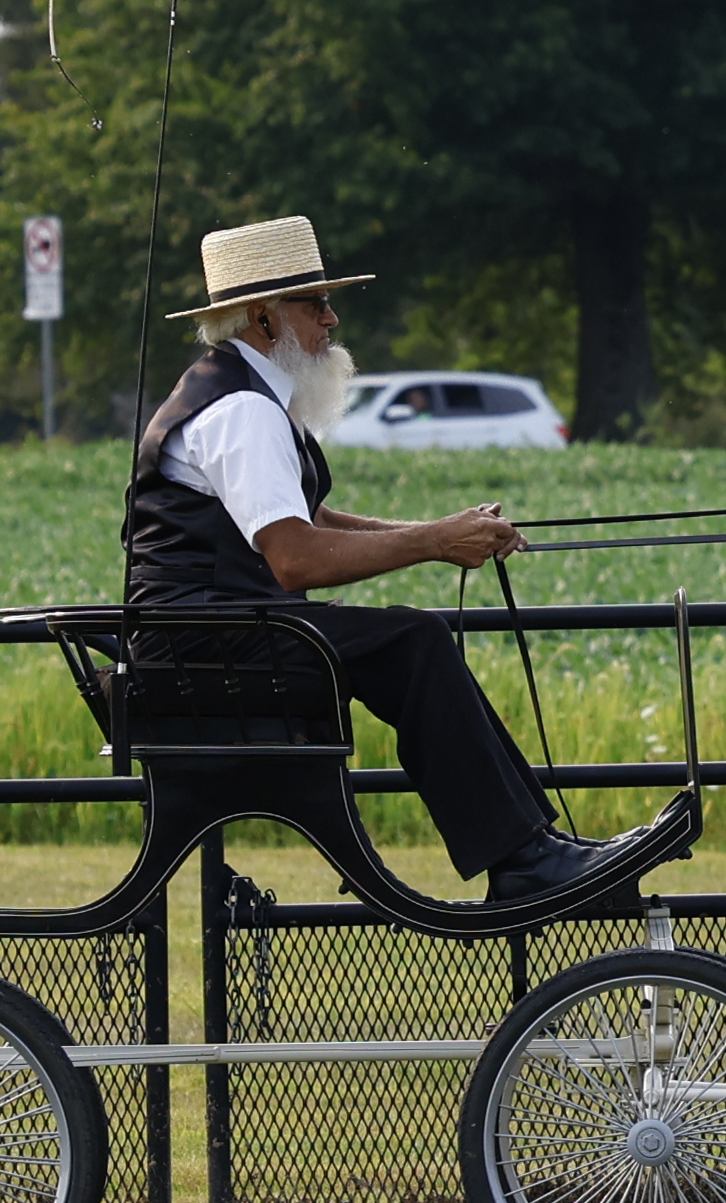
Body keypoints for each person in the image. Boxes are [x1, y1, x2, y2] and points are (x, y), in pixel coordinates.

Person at [131, 215, 605, 900]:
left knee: (410, 640)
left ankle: (531, 847)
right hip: (211, 644)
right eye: (315, 304)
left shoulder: (241, 394)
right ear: (263, 318)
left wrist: (442, 531)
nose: (332, 318)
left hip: (216, 635)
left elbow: (307, 518)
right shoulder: (242, 411)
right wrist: (435, 541)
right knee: (413, 642)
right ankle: (524, 857)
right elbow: (294, 558)